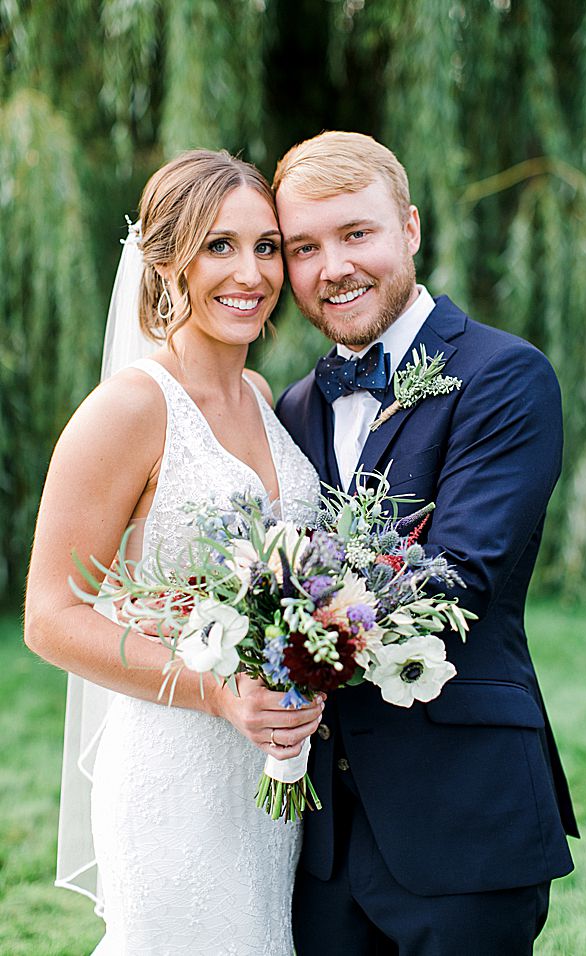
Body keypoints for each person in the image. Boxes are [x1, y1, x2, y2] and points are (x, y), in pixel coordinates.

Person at [271, 130, 577, 955]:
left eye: (356, 234)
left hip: (463, 813)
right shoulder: (292, 408)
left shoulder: (505, 375)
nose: (333, 266)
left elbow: (458, 575)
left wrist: (283, 624)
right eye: (305, 247)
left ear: (409, 228)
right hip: (320, 839)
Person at [25, 150, 324, 953]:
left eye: (266, 246)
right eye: (217, 245)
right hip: (173, 762)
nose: (250, 272)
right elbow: (50, 618)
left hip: (265, 764)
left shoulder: (263, 398)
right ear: (165, 262)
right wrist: (217, 691)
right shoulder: (128, 408)